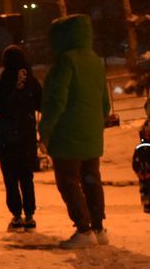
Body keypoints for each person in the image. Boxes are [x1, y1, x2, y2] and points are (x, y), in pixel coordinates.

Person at [38, 14, 112, 248]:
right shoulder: (95, 60)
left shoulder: (65, 62)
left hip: (67, 135)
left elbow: (56, 101)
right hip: (91, 135)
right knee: (92, 180)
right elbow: (105, 103)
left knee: (68, 181)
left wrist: (45, 131)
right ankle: (99, 227)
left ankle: (83, 229)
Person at [0, 44, 43, 230]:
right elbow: (42, 104)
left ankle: (16, 215)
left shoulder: (3, 82)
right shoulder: (31, 81)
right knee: (26, 178)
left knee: (10, 179)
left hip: (7, 138)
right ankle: (30, 214)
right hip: (26, 137)